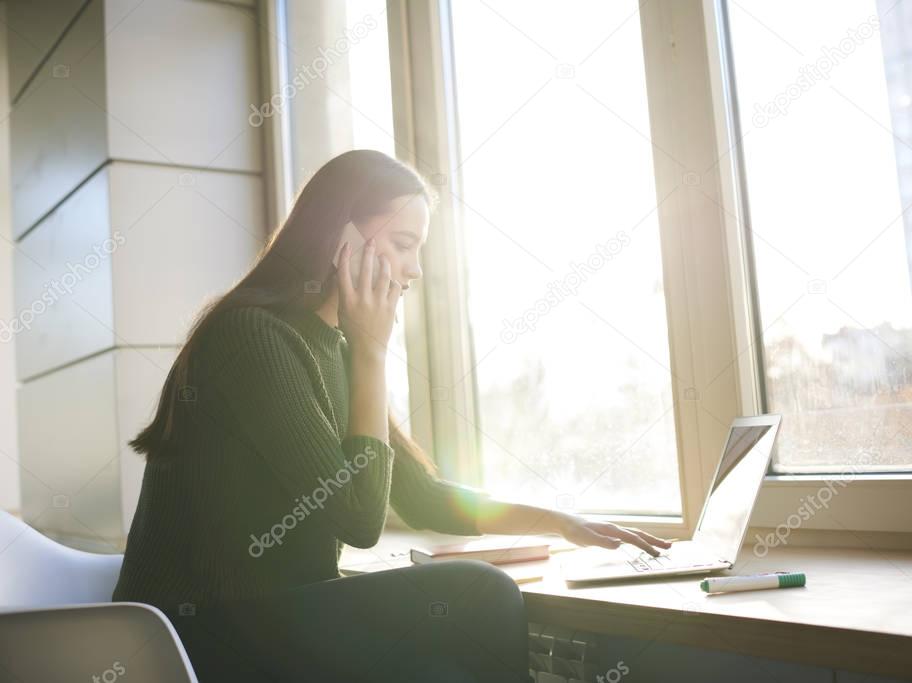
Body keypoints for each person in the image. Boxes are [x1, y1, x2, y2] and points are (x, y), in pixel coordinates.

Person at [112, 150, 671, 682]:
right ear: (342, 237)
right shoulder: (253, 336)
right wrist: (373, 352)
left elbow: (420, 494)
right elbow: (358, 521)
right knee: (481, 594)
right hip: (199, 630)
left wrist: (557, 520)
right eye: (404, 243)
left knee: (444, 675)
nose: (416, 270)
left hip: (277, 619)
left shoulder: (337, 345)